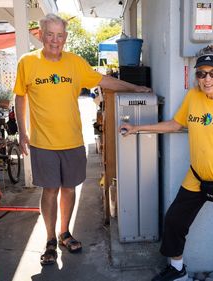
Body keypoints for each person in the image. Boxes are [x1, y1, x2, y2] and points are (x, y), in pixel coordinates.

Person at [13, 13, 150, 266]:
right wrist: (22, 131)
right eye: (50, 35)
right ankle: (50, 240)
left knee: (69, 188)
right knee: (50, 190)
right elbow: (20, 96)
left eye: (60, 35)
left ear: (65, 37)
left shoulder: (75, 63)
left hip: (73, 140)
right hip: (43, 143)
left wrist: (134, 88)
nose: (55, 40)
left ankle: (65, 233)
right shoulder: (27, 63)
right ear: (41, 35)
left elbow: (103, 80)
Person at [120, 45, 213, 281]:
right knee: (174, 220)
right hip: (197, 176)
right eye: (201, 73)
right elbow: (175, 124)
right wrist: (137, 128)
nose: (207, 79)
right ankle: (177, 269)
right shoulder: (193, 96)